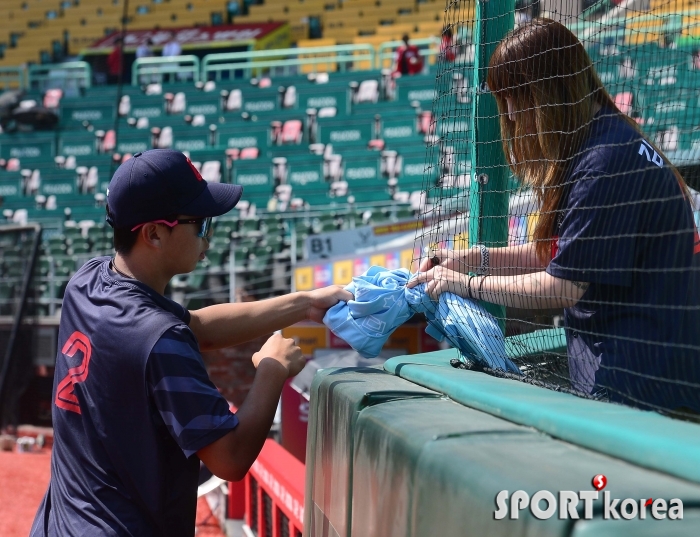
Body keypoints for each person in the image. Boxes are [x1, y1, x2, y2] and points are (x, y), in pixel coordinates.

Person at [30, 149, 351, 536]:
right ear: (153, 234)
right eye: (199, 223)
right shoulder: (160, 337)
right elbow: (229, 459)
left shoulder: (86, 281)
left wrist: (303, 303)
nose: (209, 236)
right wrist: (272, 369)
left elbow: (197, 327)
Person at [409, 18, 700, 415]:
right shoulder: (610, 137)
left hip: (636, 391)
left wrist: (465, 282)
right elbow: (565, 256)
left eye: (516, 95)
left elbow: (563, 286)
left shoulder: (602, 161)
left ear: (549, 91)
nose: (510, 113)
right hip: (648, 377)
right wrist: (472, 257)